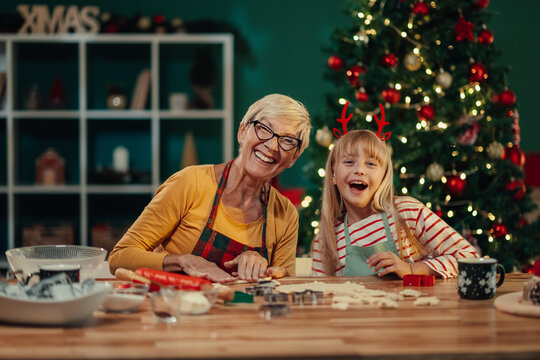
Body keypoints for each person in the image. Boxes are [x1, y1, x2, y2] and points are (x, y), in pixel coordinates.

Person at [109, 94, 311, 282]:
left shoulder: (285, 214)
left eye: (287, 141)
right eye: (264, 129)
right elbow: (119, 257)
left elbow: (285, 284)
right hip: (177, 311)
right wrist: (183, 261)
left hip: (242, 317)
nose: (273, 146)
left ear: (293, 158)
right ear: (242, 132)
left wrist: (264, 267)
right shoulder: (191, 183)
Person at [311, 130, 479, 278]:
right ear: (333, 175)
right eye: (349, 162)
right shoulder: (326, 241)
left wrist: (411, 269)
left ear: (384, 177)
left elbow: (469, 256)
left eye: (370, 163)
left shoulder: (407, 212)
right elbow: (321, 297)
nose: (359, 170)